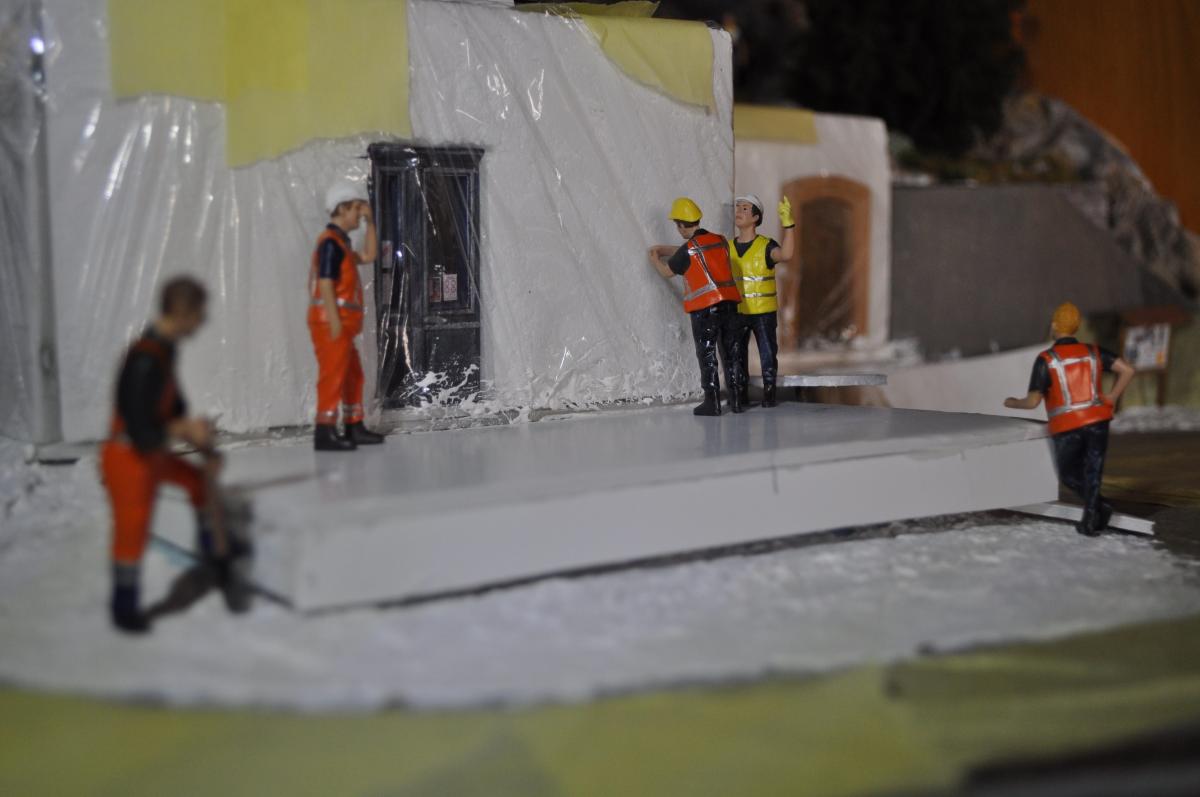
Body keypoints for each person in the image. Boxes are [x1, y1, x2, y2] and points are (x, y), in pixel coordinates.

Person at [100, 276, 226, 633]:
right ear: (182, 313)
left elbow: (174, 406)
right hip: (129, 458)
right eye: (198, 314)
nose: (202, 321)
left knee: (197, 483)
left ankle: (212, 558)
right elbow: (142, 429)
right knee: (132, 533)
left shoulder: (165, 350)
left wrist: (195, 433)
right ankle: (124, 608)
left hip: (149, 454)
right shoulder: (145, 359)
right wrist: (185, 430)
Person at [1004, 302, 1136, 536]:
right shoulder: (1093, 352)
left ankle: (1095, 513)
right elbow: (1127, 370)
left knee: (1067, 474)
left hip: (1068, 425)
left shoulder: (1046, 359)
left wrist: (1013, 402)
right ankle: (1094, 514)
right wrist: (1112, 396)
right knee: (1093, 471)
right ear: (1075, 327)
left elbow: (1033, 402)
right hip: (1098, 420)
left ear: (1055, 325)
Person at [648, 197, 744, 416]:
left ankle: (712, 402)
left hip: (705, 309)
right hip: (730, 305)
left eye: (677, 225)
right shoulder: (720, 241)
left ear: (681, 225)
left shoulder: (688, 250)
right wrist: (667, 249)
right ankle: (737, 400)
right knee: (731, 354)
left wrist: (655, 258)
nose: (678, 229)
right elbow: (695, 249)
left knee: (707, 355)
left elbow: (667, 271)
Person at [309, 179, 385, 451]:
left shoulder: (341, 245)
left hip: (341, 324)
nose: (358, 216)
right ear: (341, 209)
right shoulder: (330, 244)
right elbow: (326, 284)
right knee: (333, 375)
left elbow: (369, 255)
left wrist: (371, 222)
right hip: (331, 322)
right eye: (355, 210)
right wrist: (334, 322)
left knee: (353, 374)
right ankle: (325, 431)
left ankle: (354, 425)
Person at [729, 194, 796, 408]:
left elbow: (786, 254)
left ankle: (769, 394)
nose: (739, 211)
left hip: (763, 312)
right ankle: (740, 395)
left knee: (767, 354)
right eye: (738, 207)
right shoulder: (728, 247)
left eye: (745, 209)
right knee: (737, 355)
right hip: (737, 311)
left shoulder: (766, 246)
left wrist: (789, 226)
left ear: (756, 217)